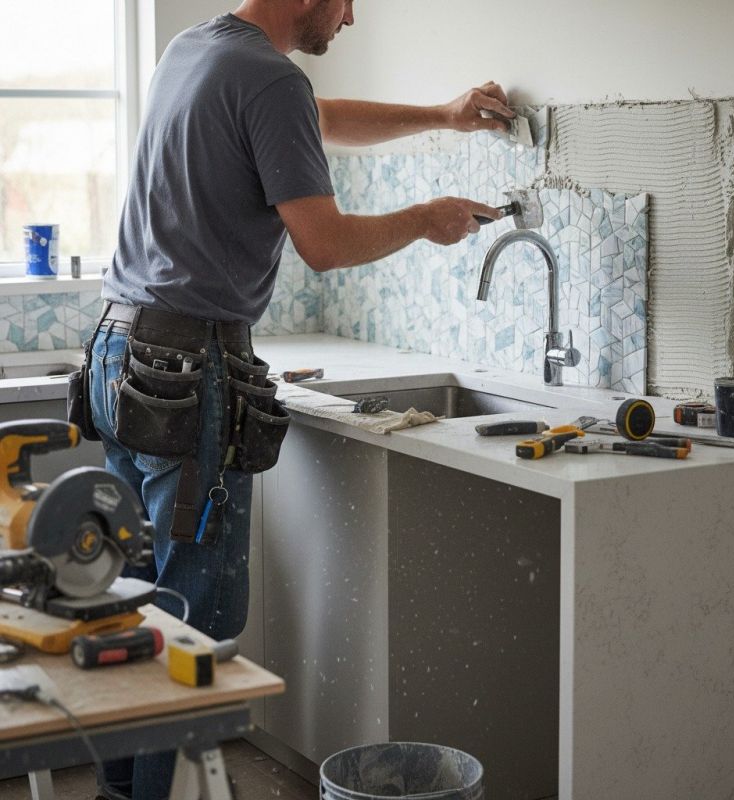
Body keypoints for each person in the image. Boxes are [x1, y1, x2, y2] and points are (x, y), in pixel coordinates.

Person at [87, 2, 516, 798]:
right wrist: (425, 218)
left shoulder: (199, 51)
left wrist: (442, 117)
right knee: (194, 632)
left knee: (139, 613)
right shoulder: (267, 78)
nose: (351, 16)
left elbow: (311, 120)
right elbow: (323, 245)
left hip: (120, 353)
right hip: (189, 372)